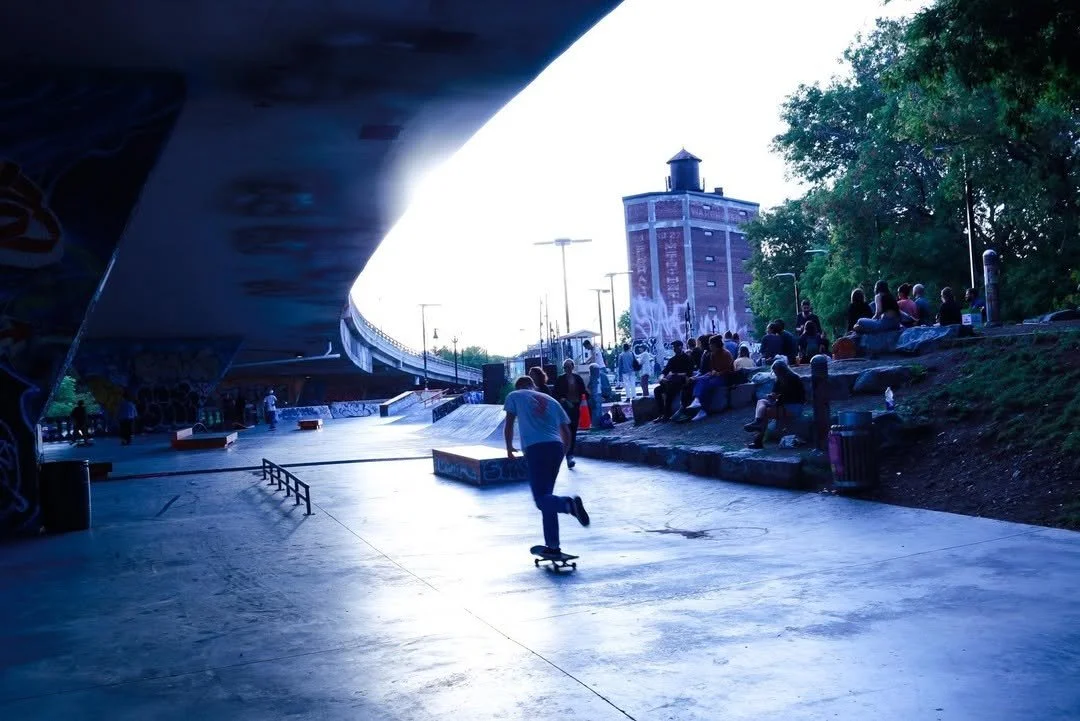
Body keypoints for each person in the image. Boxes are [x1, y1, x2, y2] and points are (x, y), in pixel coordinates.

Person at [504, 376, 590, 556]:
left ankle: (569, 505)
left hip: (536, 449)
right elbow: (566, 431)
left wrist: (509, 448)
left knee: (541, 500)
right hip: (556, 447)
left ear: (519, 386)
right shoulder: (551, 400)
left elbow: (509, 423)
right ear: (533, 386)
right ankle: (553, 546)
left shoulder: (514, 395)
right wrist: (564, 452)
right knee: (547, 498)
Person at [744, 358, 805, 449]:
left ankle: (758, 439)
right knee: (761, 401)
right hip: (783, 403)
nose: (776, 374)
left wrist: (776, 398)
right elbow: (776, 393)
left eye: (777, 372)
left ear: (782, 371)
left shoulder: (793, 379)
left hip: (793, 406)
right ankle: (758, 422)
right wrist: (772, 396)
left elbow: (792, 397)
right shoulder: (779, 380)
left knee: (765, 412)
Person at [683, 336, 736, 421]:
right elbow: (712, 369)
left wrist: (718, 373)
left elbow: (730, 370)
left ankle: (703, 409)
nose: (709, 346)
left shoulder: (726, 354)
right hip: (715, 376)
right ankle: (697, 400)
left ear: (715, 345)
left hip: (725, 378)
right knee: (700, 380)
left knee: (707, 384)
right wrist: (708, 374)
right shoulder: (712, 355)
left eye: (710, 344)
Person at [553, 358, 587, 468]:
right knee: (566, 431)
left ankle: (569, 454)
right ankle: (568, 454)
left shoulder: (577, 378)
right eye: (565, 367)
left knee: (573, 430)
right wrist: (562, 399)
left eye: (569, 366)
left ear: (573, 367)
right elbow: (555, 394)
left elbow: (583, 391)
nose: (567, 369)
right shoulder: (560, 379)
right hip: (565, 408)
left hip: (575, 406)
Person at [652, 339, 696, 422]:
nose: (674, 349)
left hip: (682, 381)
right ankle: (661, 414)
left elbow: (689, 373)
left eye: (676, 347)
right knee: (657, 390)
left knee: (670, 390)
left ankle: (666, 414)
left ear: (680, 347)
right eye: (674, 347)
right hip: (672, 381)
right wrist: (662, 378)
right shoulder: (672, 360)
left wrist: (677, 375)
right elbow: (665, 371)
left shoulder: (688, 358)